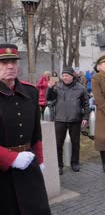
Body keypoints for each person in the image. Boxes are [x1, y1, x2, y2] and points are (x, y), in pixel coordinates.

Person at [0, 43, 51, 214]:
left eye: (13, 62)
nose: (10, 66)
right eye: (4, 63)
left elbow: (36, 132)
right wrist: (10, 158)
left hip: (28, 165)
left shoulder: (30, 92)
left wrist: (40, 159)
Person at [46, 67, 90, 175]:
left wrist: (85, 117)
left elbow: (86, 104)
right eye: (63, 75)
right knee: (58, 144)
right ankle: (59, 165)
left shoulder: (80, 88)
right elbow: (49, 98)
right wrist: (50, 88)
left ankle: (75, 162)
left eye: (67, 75)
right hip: (60, 119)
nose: (64, 77)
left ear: (72, 76)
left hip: (75, 119)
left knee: (75, 143)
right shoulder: (57, 87)